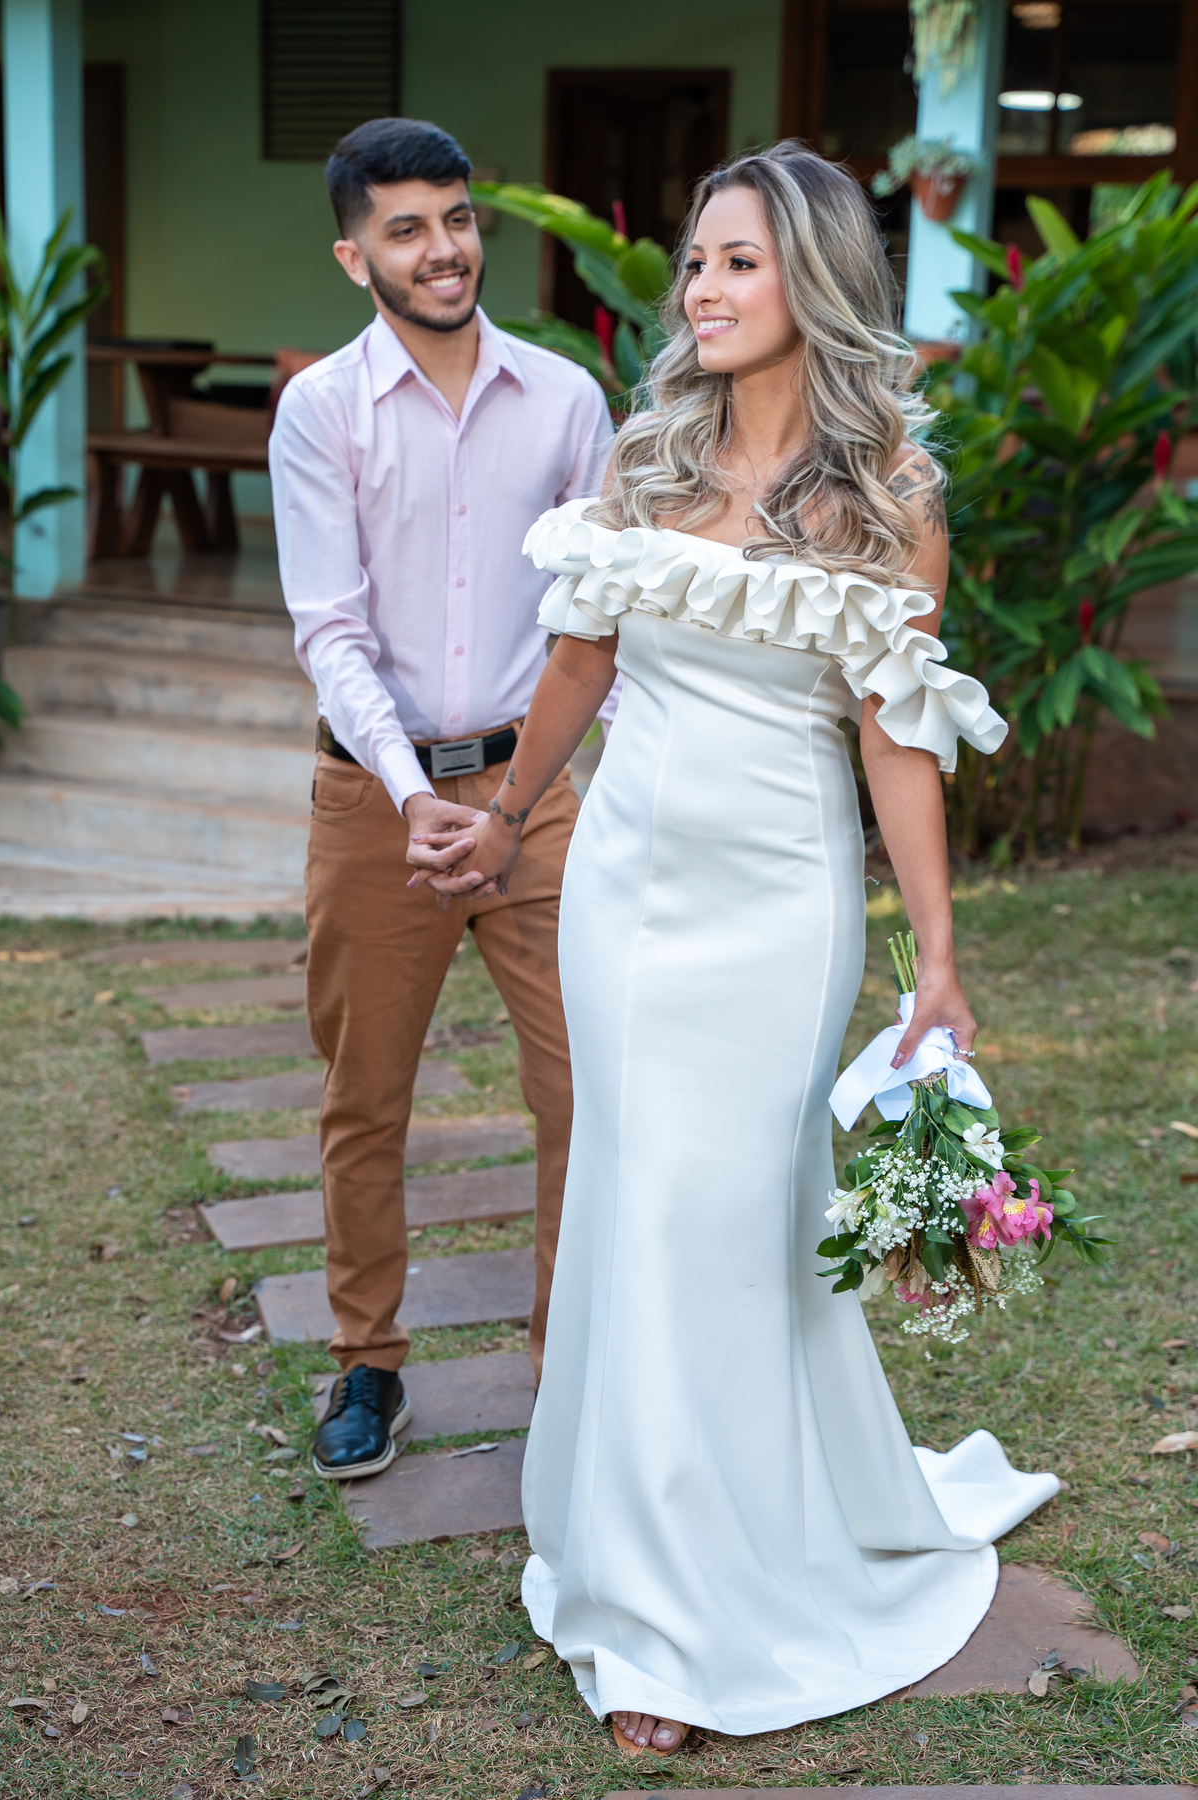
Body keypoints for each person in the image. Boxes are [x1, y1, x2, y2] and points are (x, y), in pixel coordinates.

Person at [409, 143, 1058, 1750]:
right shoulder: (642, 460)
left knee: (728, 1216)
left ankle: (715, 1593)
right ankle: (638, 1574)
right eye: (696, 261)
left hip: (781, 904)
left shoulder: (890, 498)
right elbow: (574, 669)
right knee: (636, 1203)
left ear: (814, 282)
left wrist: (940, 962)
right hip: (625, 891)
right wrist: (503, 817)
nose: (701, 289)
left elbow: (895, 744)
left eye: (738, 263)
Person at [269, 117, 613, 1481]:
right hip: (378, 804)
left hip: (541, 798)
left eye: (458, 219)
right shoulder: (322, 413)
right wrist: (417, 796)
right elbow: (328, 627)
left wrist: (535, 796)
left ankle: (570, 1361)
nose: (443, 247)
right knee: (367, 1095)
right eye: (406, 228)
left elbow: (601, 621)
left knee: (591, 1087)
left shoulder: (569, 401)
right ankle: (369, 1363)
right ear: (356, 256)